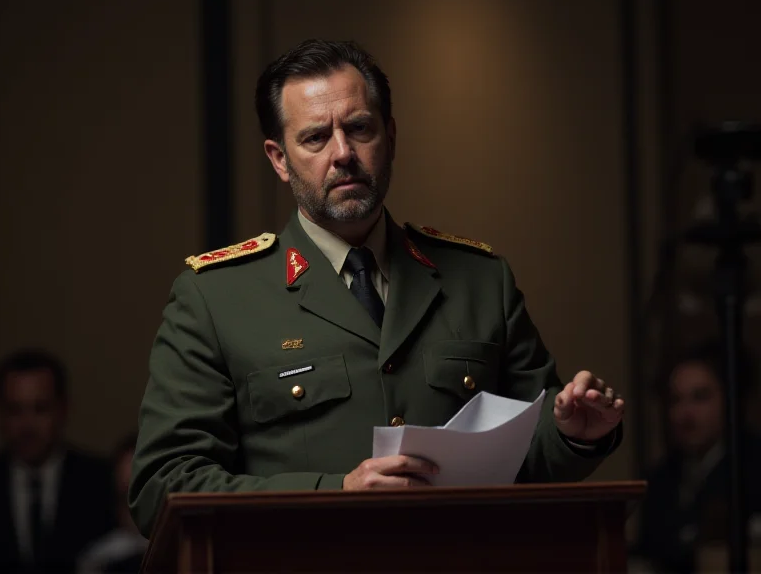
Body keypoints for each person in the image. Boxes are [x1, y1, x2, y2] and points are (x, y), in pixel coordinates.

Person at [128, 39, 626, 537]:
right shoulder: (214, 298)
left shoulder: (480, 279)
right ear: (279, 159)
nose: (343, 153)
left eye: (359, 128)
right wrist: (333, 495)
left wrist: (573, 436)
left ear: (390, 135)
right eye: (316, 138)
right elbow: (163, 487)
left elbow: (527, 452)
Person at [0, 349, 116, 573]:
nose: (27, 425)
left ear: (63, 409)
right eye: (15, 410)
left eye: (40, 409)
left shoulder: (101, 482)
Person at [631, 341, 761, 573]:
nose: (685, 414)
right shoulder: (661, 478)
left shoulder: (752, 465)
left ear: (732, 399)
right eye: (675, 400)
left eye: (700, 397)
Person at [77, 434, 148, 574]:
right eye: (124, 497)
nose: (133, 508)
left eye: (141, 495)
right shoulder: (98, 560)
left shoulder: (186, 551)